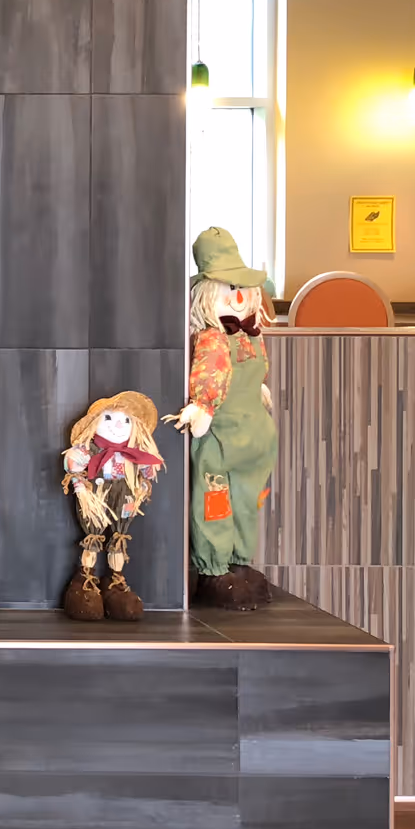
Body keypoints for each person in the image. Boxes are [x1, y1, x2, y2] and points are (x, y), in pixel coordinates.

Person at [170, 227, 278, 611]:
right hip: (220, 437)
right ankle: (214, 569)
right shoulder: (211, 339)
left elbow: (249, 372)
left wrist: (258, 387)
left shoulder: (252, 335)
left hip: (253, 436)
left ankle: (238, 561)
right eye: (228, 287)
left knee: (248, 501)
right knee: (214, 502)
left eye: (242, 286)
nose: (238, 296)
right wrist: (202, 405)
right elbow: (209, 377)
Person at [60, 391, 163, 621]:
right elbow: (72, 464)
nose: (118, 425)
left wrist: (142, 487)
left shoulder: (134, 454)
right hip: (97, 497)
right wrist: (80, 486)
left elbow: (148, 472)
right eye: (108, 418)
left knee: (119, 538)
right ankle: (85, 578)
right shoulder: (90, 450)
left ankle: (115, 581)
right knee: (93, 535)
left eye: (125, 420)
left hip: (123, 500)